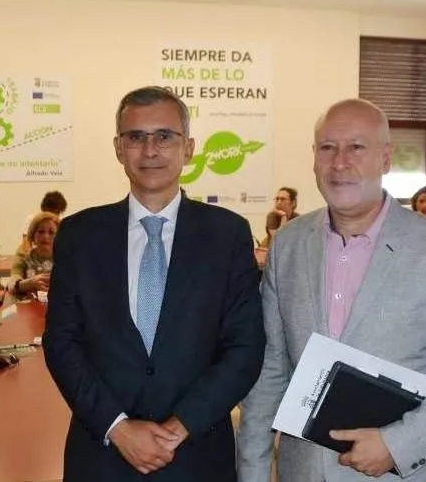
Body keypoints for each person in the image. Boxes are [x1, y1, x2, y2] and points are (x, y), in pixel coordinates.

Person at [237, 98, 426, 482]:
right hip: (301, 471)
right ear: (314, 158)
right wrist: (252, 471)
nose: (340, 162)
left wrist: (398, 444)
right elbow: (271, 371)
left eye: (357, 147)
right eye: (328, 147)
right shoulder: (289, 244)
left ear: (385, 158)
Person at [43, 86, 265, 482]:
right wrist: (118, 427)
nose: (150, 150)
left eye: (164, 136)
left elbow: (244, 346)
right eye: (136, 137)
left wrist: (178, 428)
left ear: (189, 147)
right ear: (118, 147)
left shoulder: (227, 234)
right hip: (102, 452)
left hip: (196, 453)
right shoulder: (78, 235)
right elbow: (61, 342)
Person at [11, 212, 58, 297]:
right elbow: (12, 285)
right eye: (40, 232)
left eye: (51, 233)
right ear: (33, 234)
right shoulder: (23, 254)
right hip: (28, 306)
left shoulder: (66, 257)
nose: (45, 236)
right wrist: (30, 283)